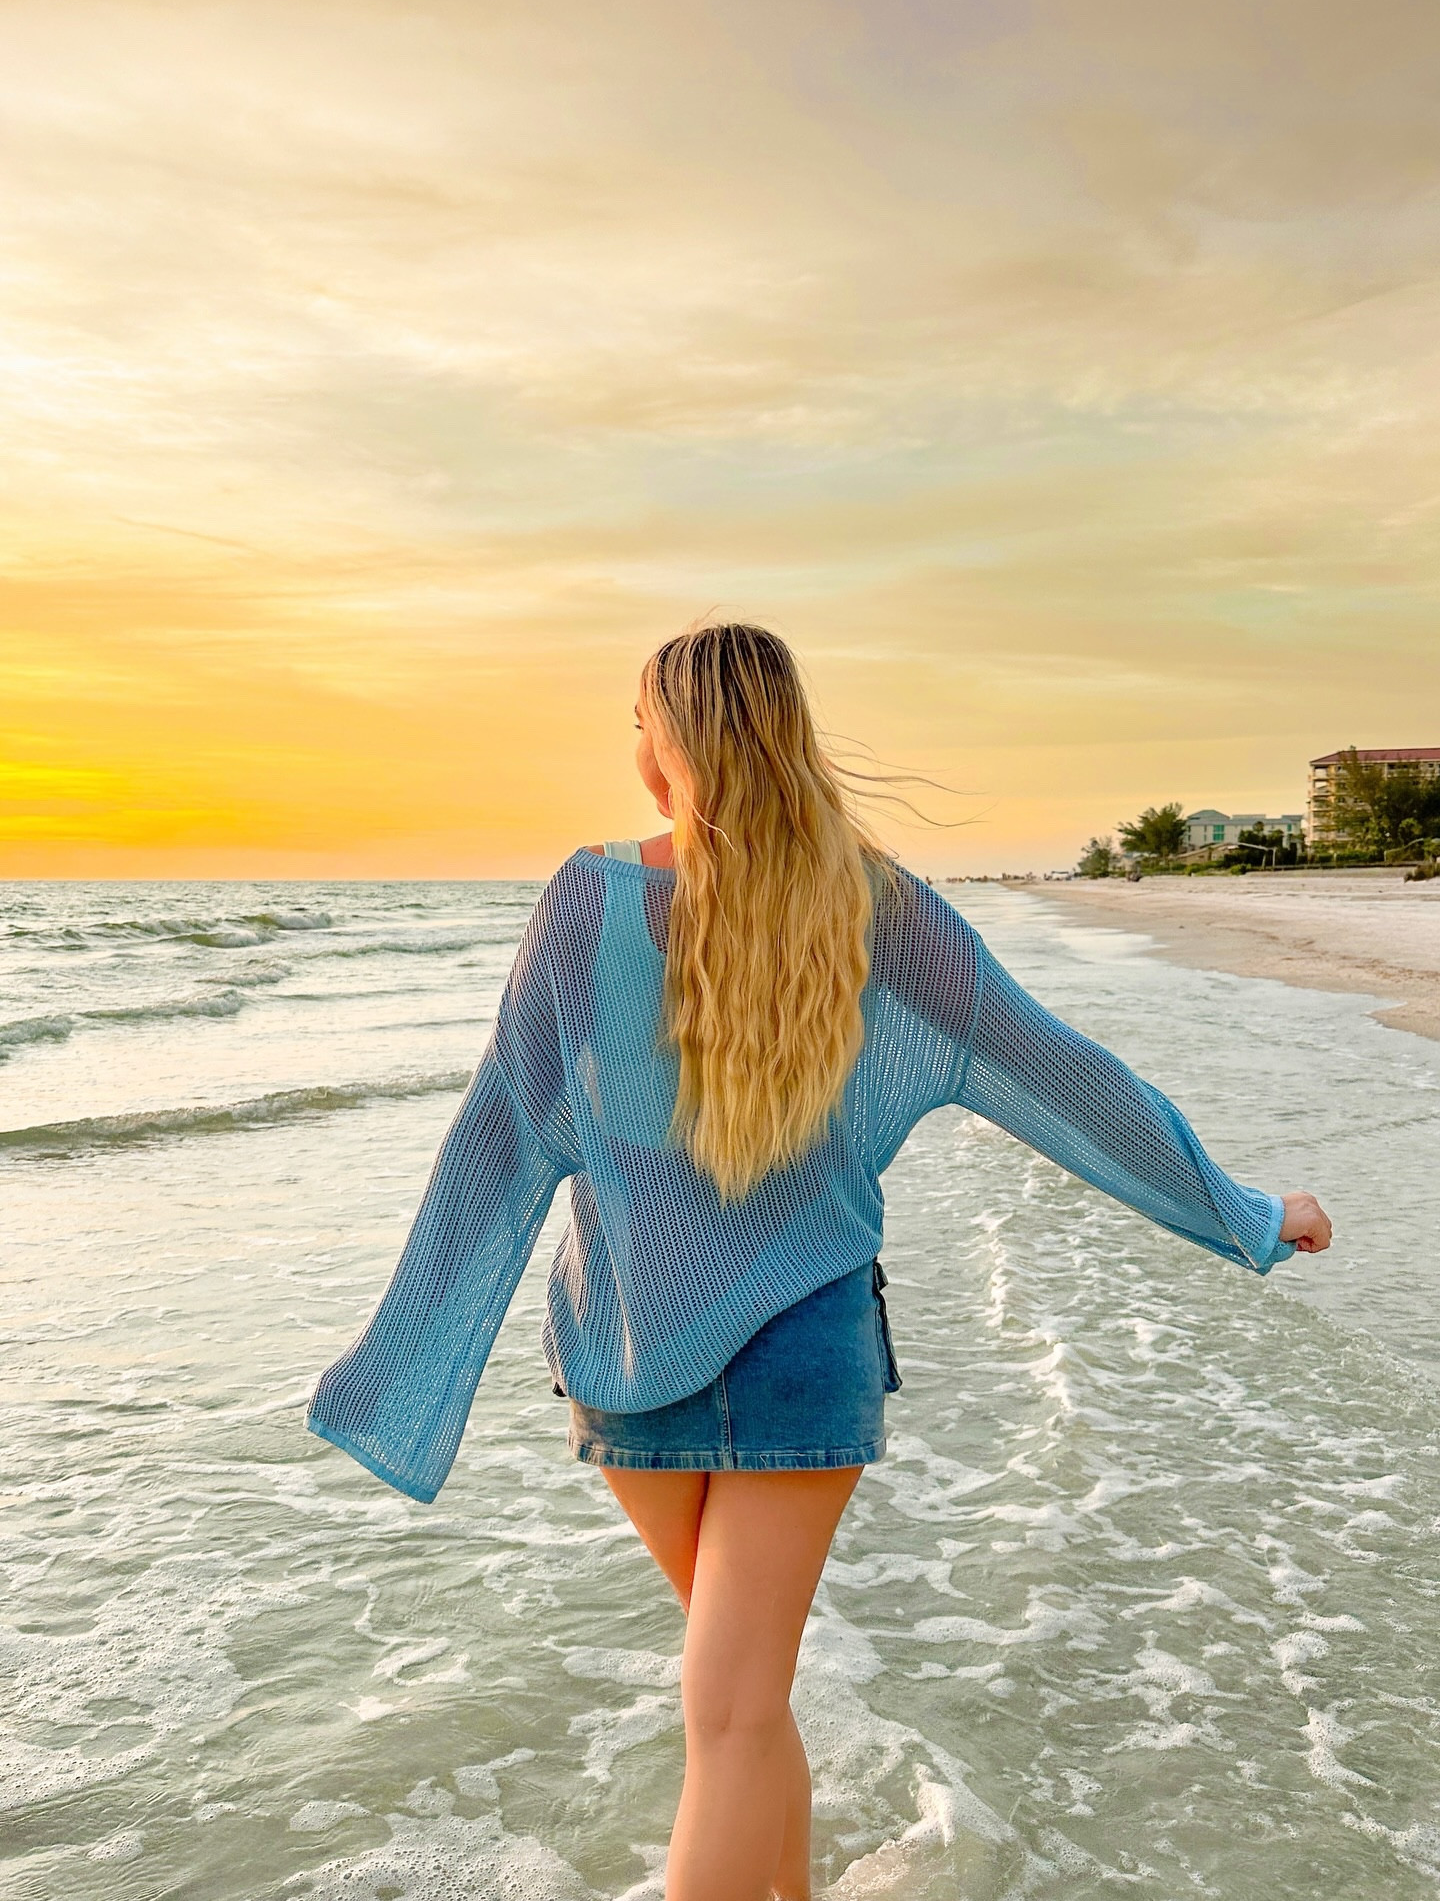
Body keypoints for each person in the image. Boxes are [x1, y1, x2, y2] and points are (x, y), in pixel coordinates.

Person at [307, 622, 1331, 1901]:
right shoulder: (877, 905)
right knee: (742, 1704)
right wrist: (1245, 1207)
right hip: (796, 1346)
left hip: (628, 1348)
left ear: (667, 743)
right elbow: (1064, 1078)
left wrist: (395, 1366)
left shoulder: (589, 897)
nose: (635, 746)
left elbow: (497, 1142)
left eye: (637, 720)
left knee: (729, 1708)